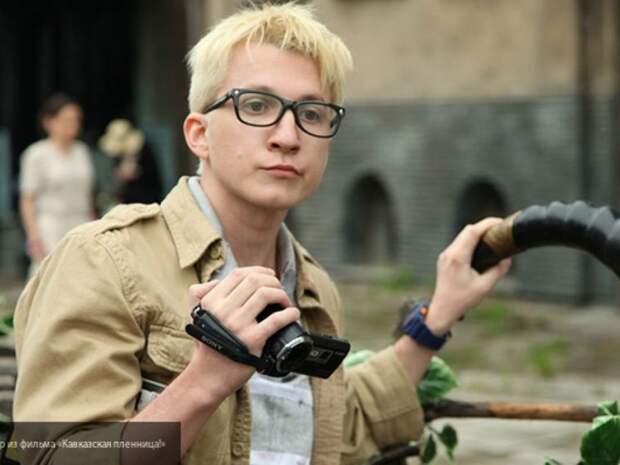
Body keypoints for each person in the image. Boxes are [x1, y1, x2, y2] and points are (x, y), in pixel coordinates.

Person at [12, 4, 511, 465]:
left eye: (311, 114)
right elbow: (50, 455)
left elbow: (334, 428)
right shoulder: (105, 262)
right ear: (199, 134)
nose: (288, 137)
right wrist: (205, 381)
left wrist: (437, 315)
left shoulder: (313, 288)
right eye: (255, 105)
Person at [18, 93, 95, 276]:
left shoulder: (82, 151)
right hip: (51, 226)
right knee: (49, 276)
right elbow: (27, 198)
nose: (73, 125)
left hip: (81, 223)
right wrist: (34, 237)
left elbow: (88, 192)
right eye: (67, 120)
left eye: (76, 120)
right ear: (49, 122)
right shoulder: (36, 154)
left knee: (82, 276)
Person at [98, 118, 163, 205]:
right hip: (125, 203)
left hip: (146, 201)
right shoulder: (114, 158)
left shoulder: (145, 153)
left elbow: (154, 182)